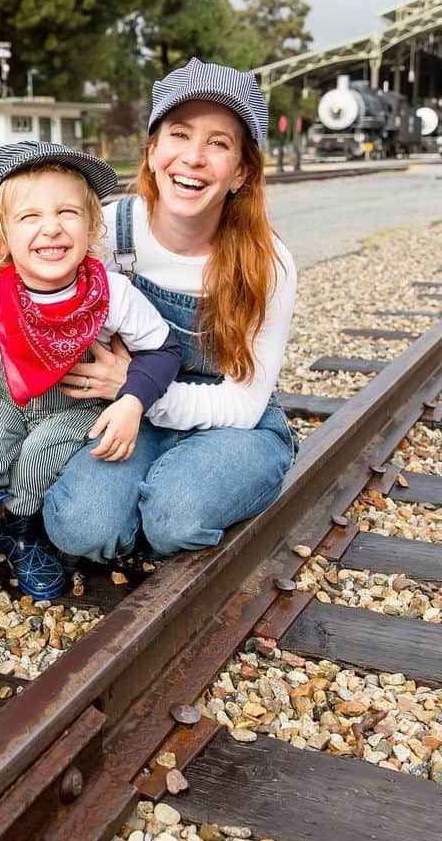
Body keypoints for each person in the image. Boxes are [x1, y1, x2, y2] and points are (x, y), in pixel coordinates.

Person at [0, 142, 182, 651]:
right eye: (30, 216)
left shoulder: (110, 291)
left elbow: (162, 350)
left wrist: (131, 401)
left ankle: (20, 530)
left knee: (42, 455)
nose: (51, 228)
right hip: (1, 397)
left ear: (91, 226)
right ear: (3, 235)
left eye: (67, 213)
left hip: (73, 404)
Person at [43, 58, 298, 562]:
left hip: (232, 424)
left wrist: (131, 387)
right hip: (127, 414)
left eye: (219, 143)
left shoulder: (268, 264)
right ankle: (157, 493)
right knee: (81, 529)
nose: (195, 157)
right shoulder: (104, 235)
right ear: (154, 150)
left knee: (174, 519)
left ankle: (229, 479)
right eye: (180, 135)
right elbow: (29, 297)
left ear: (241, 171)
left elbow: (244, 404)